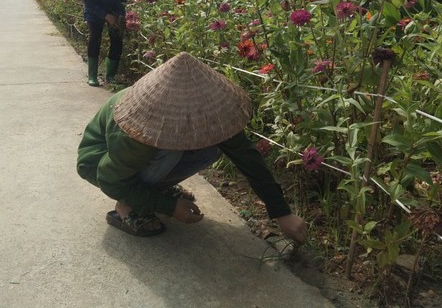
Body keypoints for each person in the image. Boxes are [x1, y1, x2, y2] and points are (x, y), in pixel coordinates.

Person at [76, 52, 308, 243]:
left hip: (131, 162)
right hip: (101, 164)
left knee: (212, 147)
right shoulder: (138, 129)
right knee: (171, 151)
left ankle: (151, 189)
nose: (195, 125)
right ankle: (125, 207)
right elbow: (109, 178)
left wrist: (281, 212)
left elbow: (245, 156)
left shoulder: (210, 114)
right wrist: (168, 206)